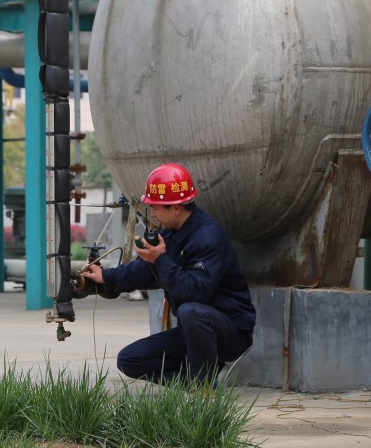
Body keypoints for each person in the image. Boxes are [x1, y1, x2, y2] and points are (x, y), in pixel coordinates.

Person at [82, 163, 255, 386]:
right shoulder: (171, 233)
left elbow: (194, 292)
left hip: (229, 331)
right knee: (130, 359)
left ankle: (202, 392)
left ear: (176, 208)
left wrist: (161, 259)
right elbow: (143, 270)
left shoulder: (209, 237)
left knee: (191, 311)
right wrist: (106, 276)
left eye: (156, 207)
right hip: (192, 331)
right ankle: (197, 380)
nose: (152, 212)